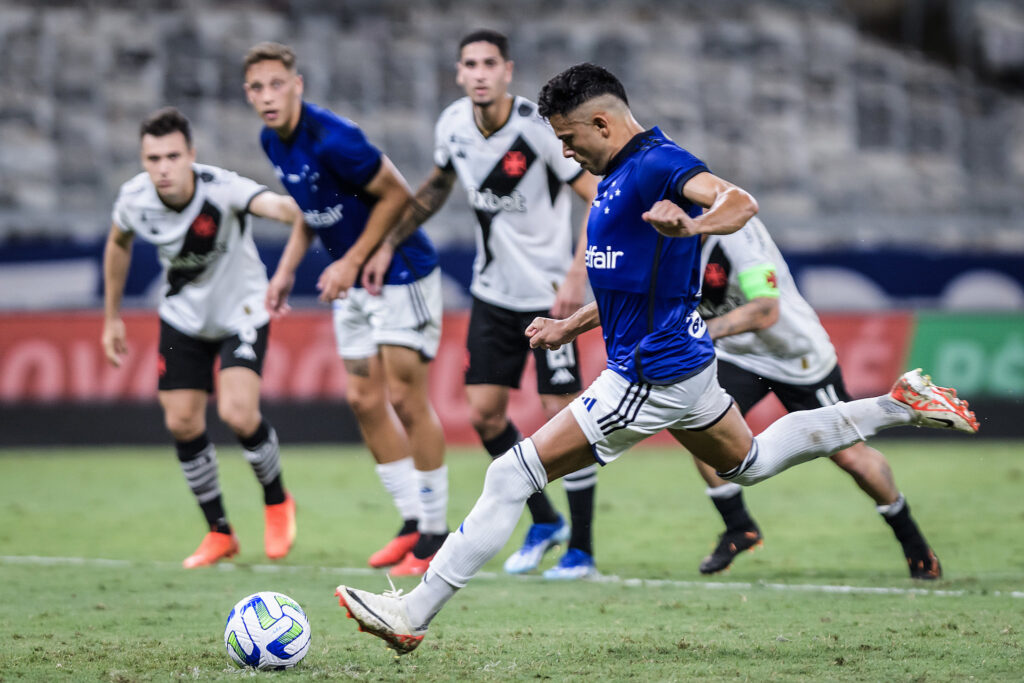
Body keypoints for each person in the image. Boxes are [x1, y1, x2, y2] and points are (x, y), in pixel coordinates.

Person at [333, 63, 978, 655]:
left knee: (510, 475)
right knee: (748, 461)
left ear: (602, 123)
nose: (563, 150)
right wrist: (572, 324)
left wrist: (694, 226)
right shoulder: (619, 176)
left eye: (568, 137)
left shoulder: (656, 164)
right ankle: (898, 404)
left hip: (649, 372)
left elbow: (739, 200)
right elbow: (626, 283)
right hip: (685, 364)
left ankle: (414, 612)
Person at [366, 29, 601, 579]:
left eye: (488, 63)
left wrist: (575, 275)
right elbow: (435, 188)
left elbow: (596, 196)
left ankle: (583, 548)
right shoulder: (452, 125)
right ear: (458, 73)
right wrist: (388, 243)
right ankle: (544, 521)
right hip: (491, 293)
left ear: (507, 71)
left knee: (564, 418)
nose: (478, 73)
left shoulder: (537, 130)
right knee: (484, 413)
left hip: (550, 296)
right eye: (468, 63)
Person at [242, 42, 448, 576]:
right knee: (363, 399)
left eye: (275, 84)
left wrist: (351, 261)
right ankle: (409, 521)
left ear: (297, 84)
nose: (267, 96)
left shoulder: (335, 138)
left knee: (406, 398)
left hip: (401, 274)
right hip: (352, 283)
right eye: (256, 88)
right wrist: (287, 269)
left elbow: (398, 195)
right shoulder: (273, 140)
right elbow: (312, 209)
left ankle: (435, 531)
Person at [103, 107, 299, 568]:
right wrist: (111, 318)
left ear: (191, 154)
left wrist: (299, 209)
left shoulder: (222, 187)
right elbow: (118, 242)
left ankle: (276, 501)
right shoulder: (134, 198)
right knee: (182, 423)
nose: (163, 167)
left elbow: (273, 206)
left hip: (242, 311)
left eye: (173, 156)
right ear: (142, 159)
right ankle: (219, 532)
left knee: (237, 412)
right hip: (184, 318)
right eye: (153, 158)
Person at [692, 217, 943, 579]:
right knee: (700, 425)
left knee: (850, 457)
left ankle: (912, 540)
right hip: (737, 355)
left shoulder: (736, 233)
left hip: (797, 358)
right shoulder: (660, 243)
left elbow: (765, 309)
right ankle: (739, 527)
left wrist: (694, 332)